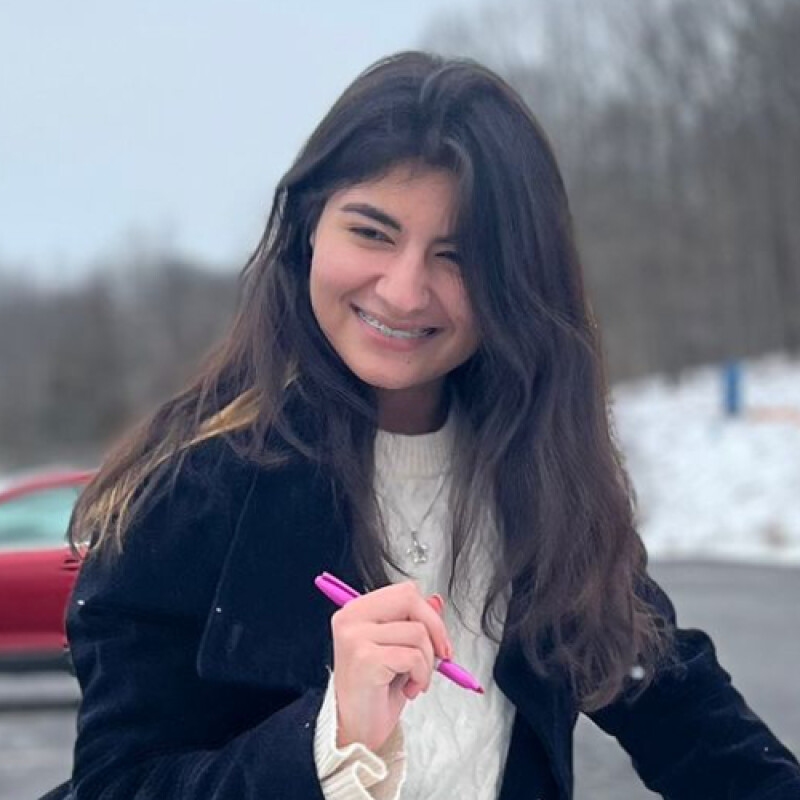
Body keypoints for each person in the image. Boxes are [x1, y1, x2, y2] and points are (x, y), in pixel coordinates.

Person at [42, 51, 799, 800]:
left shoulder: (536, 478)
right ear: (308, 228)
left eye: (457, 256)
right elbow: (117, 784)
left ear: (516, 280)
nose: (404, 292)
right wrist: (331, 743)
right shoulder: (187, 493)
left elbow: (689, 721)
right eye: (372, 233)